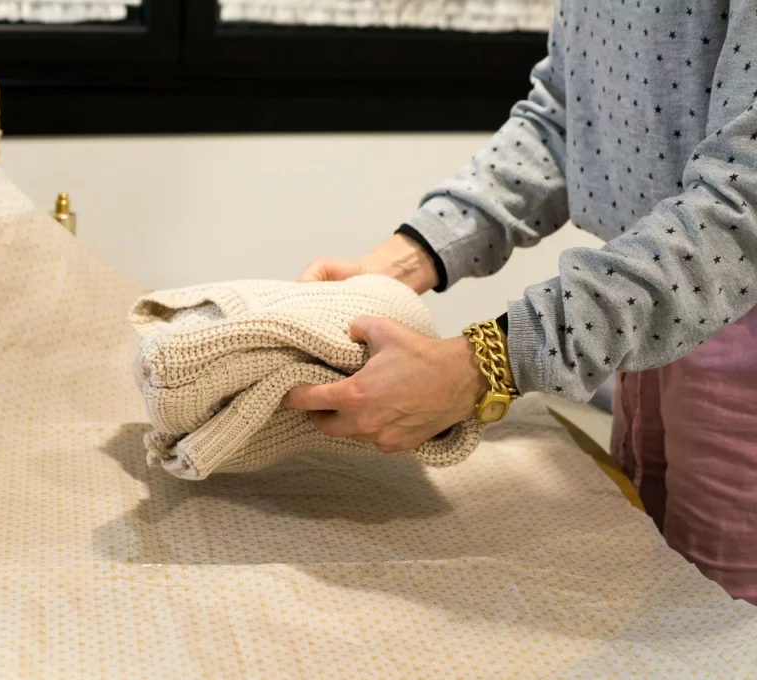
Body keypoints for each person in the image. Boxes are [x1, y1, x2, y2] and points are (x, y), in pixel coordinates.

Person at [286, 0, 757, 605]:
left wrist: (487, 360)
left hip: (733, 328)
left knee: (723, 620)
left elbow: (741, 209)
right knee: (657, 591)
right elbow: (565, 121)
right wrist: (407, 257)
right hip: (644, 315)